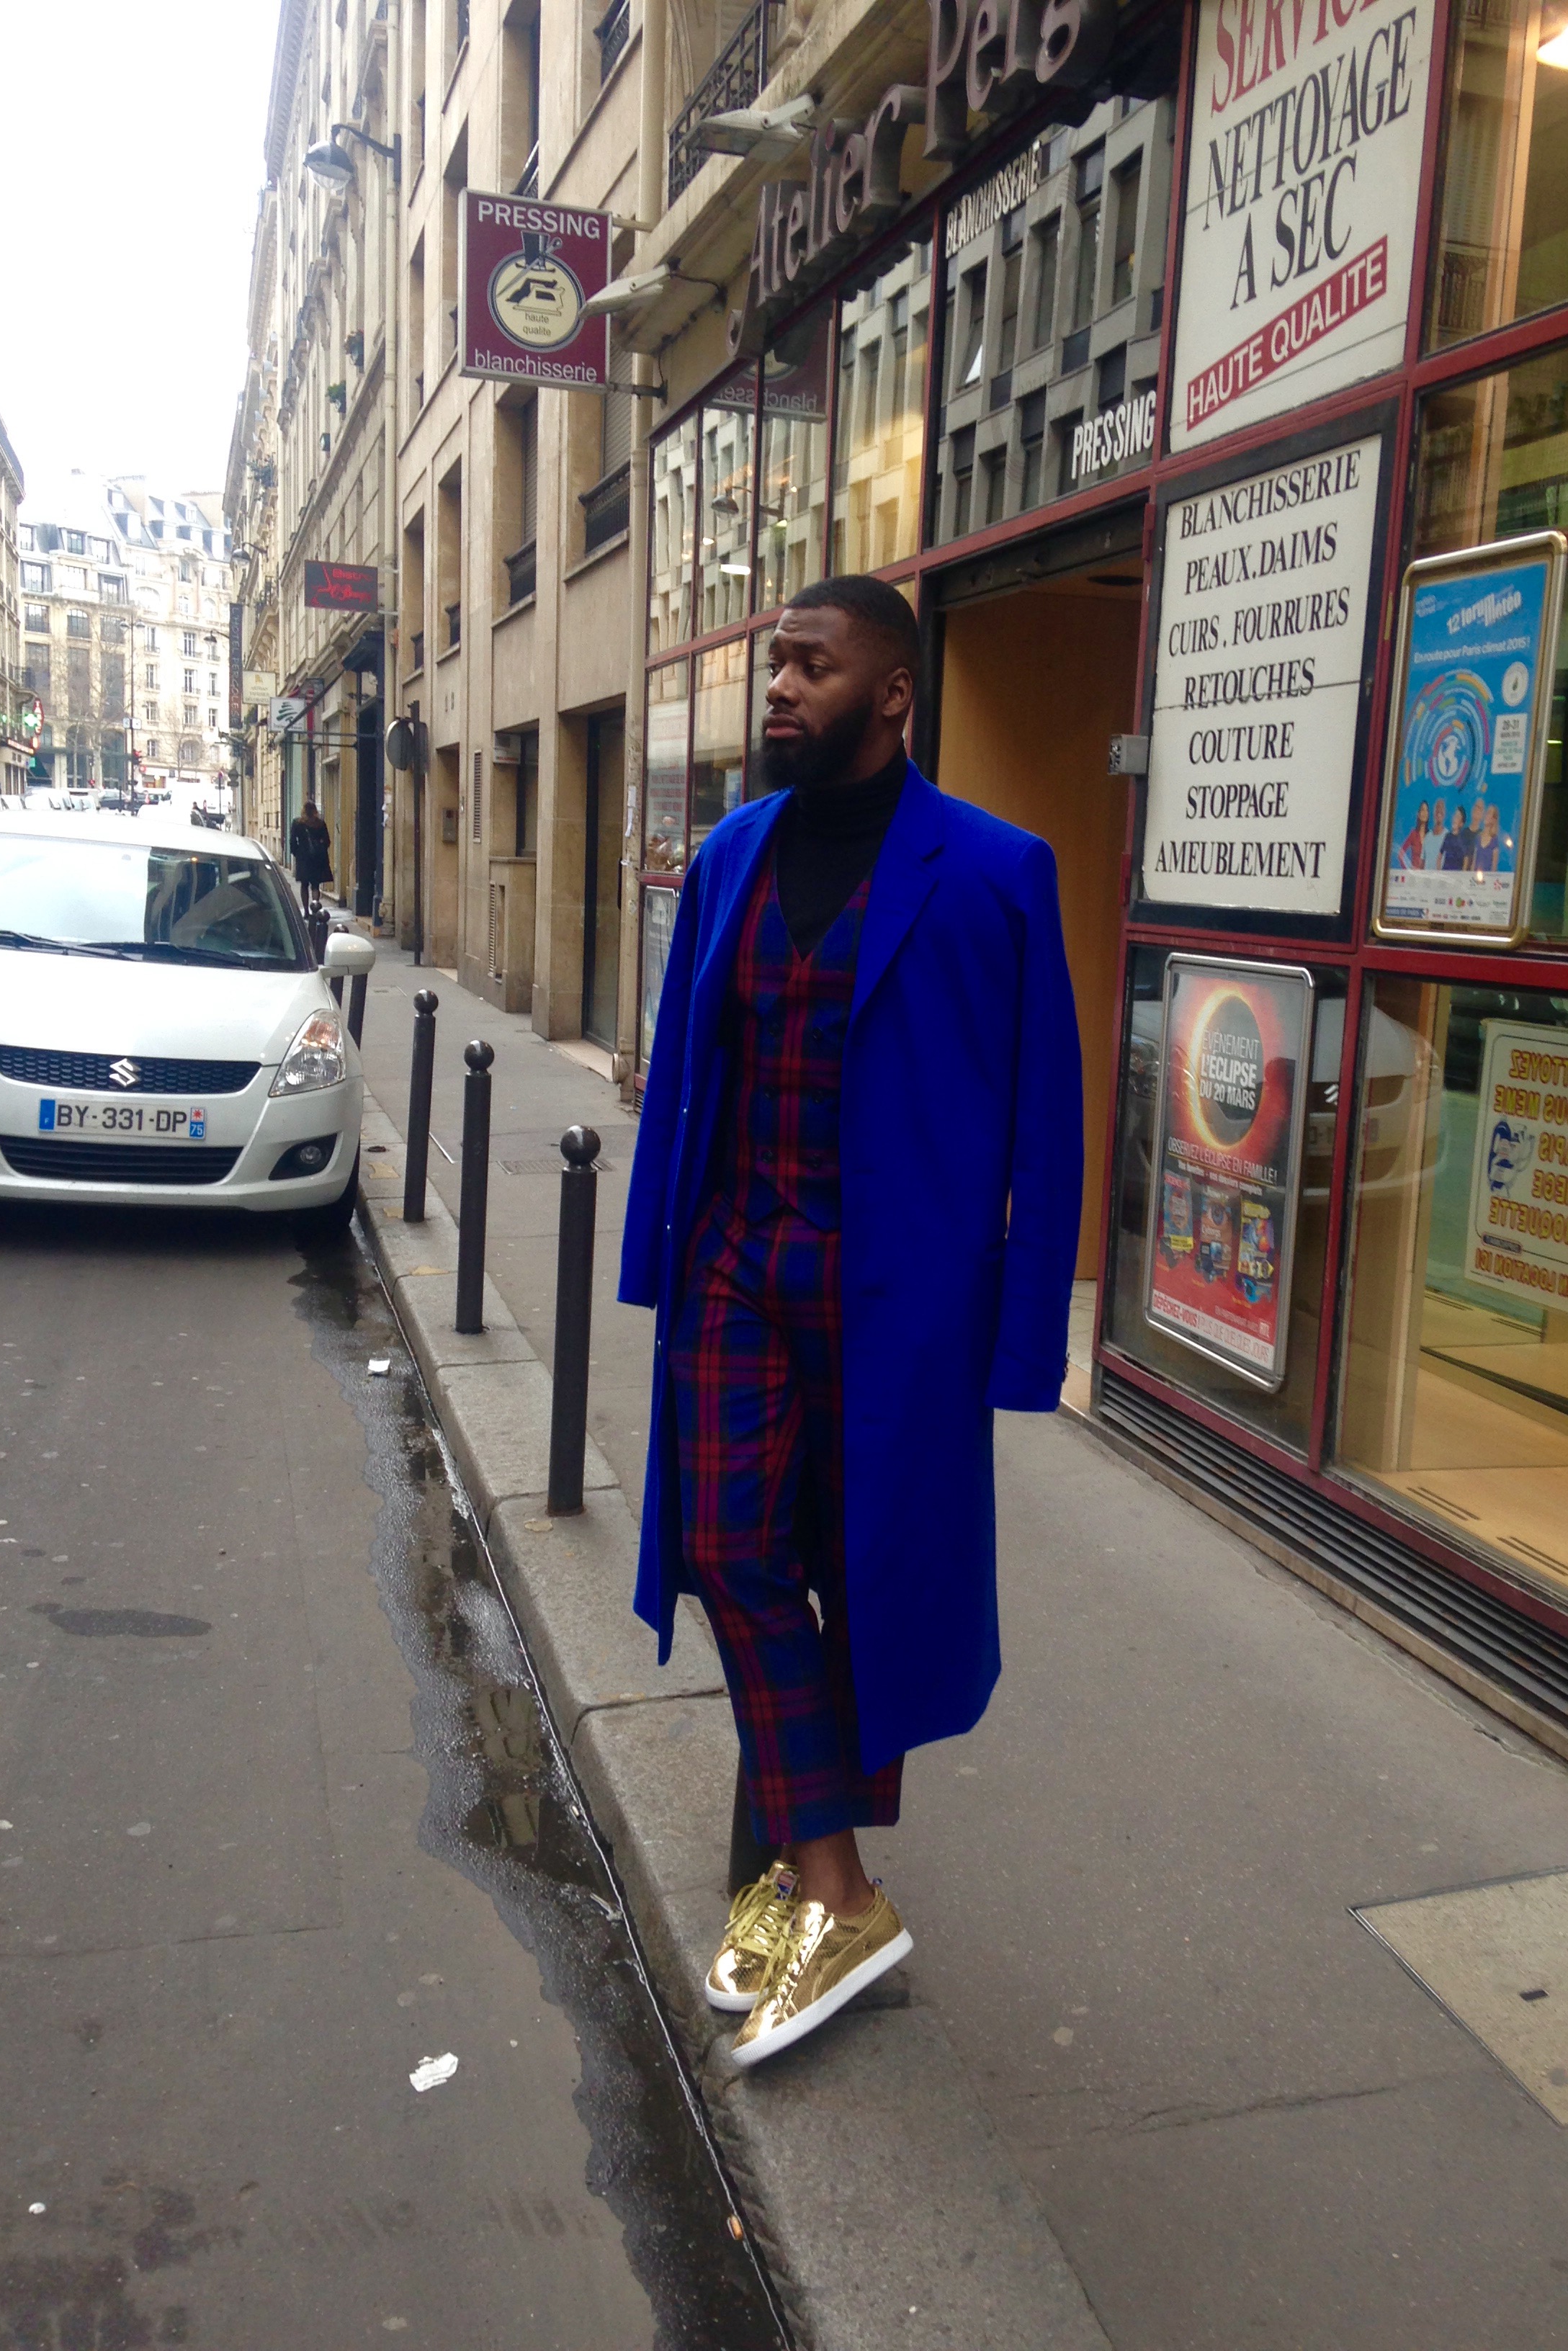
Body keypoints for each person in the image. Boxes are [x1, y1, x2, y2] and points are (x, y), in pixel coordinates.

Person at [619, 576, 1083, 2071]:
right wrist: (653, 1250)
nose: (780, 685)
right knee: (728, 1549)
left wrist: (1021, 1342)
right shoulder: (731, 854)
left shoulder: (997, 870)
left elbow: (1047, 1123)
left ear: (890, 692)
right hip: (736, 1264)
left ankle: (799, 1888)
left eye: (811, 665)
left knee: (862, 1576)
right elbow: (684, 1069)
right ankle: (837, 1884)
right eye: (777, 662)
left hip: (899, 1298)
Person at [288, 798, 333, 915]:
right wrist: (320, 849)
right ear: (315, 810)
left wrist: (297, 853)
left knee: (304, 885)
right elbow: (327, 841)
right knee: (315, 885)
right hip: (317, 859)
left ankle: (306, 911)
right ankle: (315, 910)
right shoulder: (320, 824)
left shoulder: (297, 823)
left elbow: (292, 841)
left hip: (303, 859)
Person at [1398, 800, 1429, 871]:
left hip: (1427, 875)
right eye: (1423, 810)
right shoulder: (1413, 834)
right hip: (1414, 875)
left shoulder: (1430, 835)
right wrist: (1408, 870)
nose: (1425, 813)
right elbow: (1400, 855)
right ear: (1418, 814)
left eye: (1427, 810)